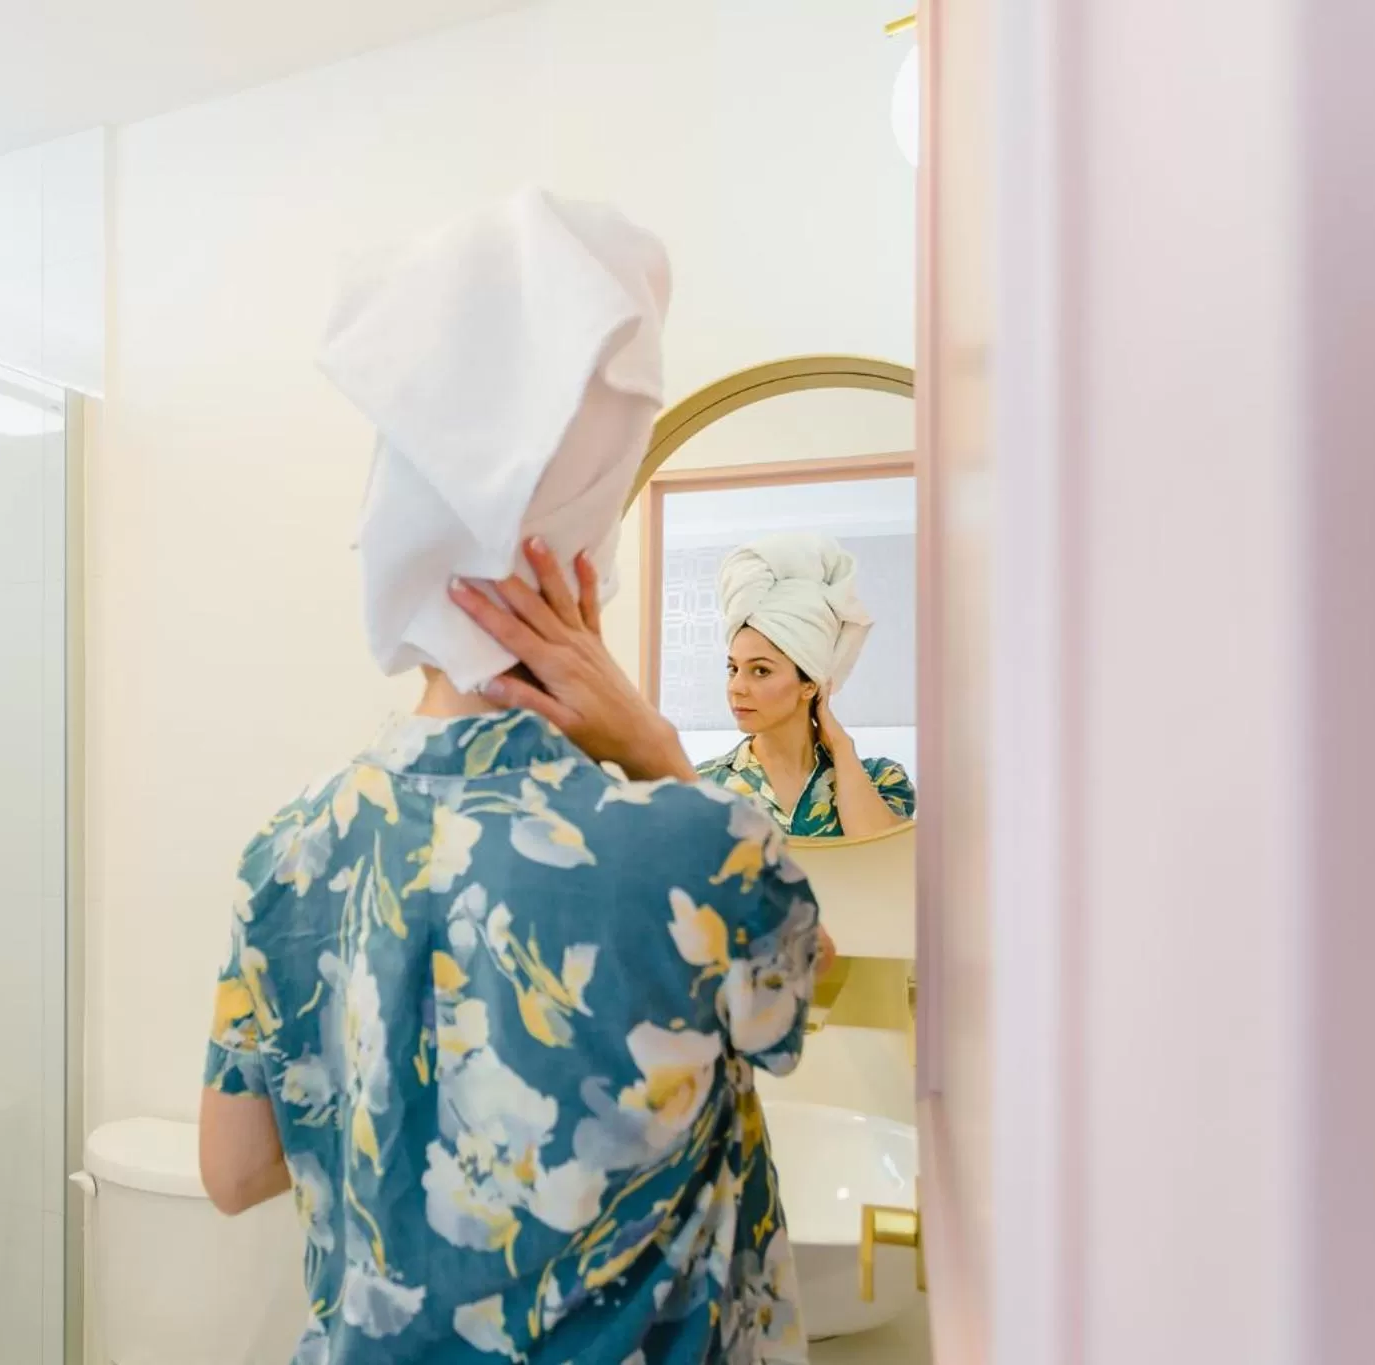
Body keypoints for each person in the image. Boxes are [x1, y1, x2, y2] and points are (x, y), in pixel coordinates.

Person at [197, 189, 822, 1365]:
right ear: (582, 567)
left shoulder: (286, 850)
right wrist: (652, 746)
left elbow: (229, 1174)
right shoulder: (698, 843)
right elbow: (795, 1000)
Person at [695, 534, 915, 838]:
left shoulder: (882, 780)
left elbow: (880, 857)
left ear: (810, 684)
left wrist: (841, 747)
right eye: (733, 668)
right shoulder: (703, 789)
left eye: (760, 670)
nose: (737, 687)